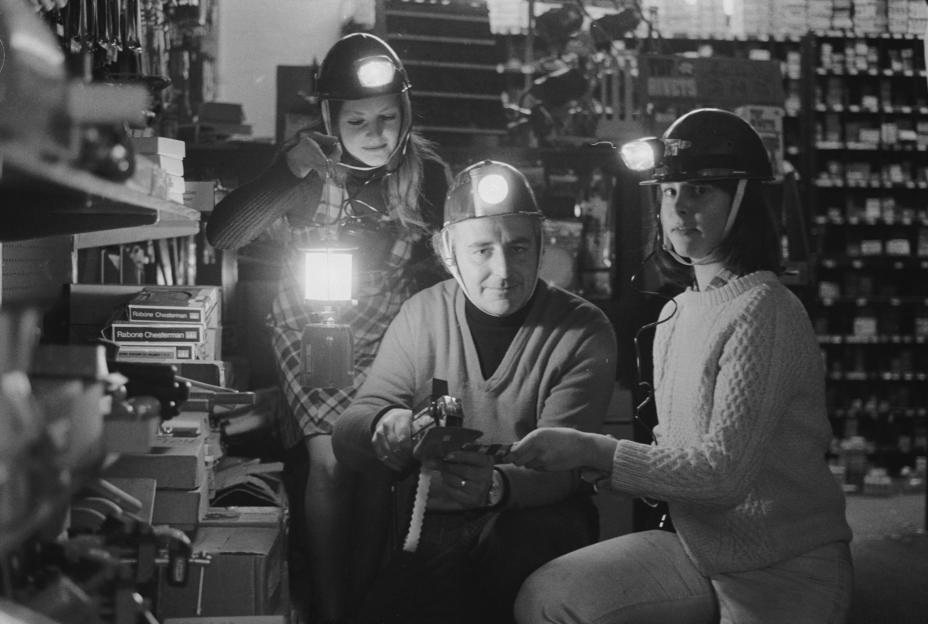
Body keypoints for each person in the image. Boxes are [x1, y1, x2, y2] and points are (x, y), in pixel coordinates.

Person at [509, 108, 854, 624]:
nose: (679, 208)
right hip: (701, 550)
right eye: (669, 192)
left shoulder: (765, 309)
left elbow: (720, 476)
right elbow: (680, 460)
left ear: (744, 199)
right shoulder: (678, 312)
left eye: (700, 191)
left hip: (785, 566)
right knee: (548, 597)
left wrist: (595, 450)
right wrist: (605, 468)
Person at [205, 33, 451, 624]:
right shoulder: (305, 171)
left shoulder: (429, 175)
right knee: (333, 461)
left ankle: (363, 601)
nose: (375, 131)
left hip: (392, 323)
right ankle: (330, 609)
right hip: (312, 322)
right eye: (357, 119)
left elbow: (451, 259)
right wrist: (284, 170)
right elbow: (224, 235)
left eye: (388, 117)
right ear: (328, 120)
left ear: (407, 114)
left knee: (376, 465)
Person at [332, 160, 618, 624]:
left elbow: (566, 467)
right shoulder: (422, 316)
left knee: (501, 554)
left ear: (542, 246)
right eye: (482, 250)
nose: (503, 270)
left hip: (538, 522)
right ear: (449, 253)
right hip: (436, 522)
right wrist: (383, 425)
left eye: (519, 247)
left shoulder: (583, 330)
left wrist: (498, 487)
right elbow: (348, 432)